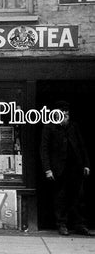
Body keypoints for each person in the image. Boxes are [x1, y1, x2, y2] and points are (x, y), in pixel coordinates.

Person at [40, 101, 92, 236]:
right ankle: (62, 224)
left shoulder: (73, 127)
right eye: (63, 115)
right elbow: (44, 149)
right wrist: (48, 169)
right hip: (59, 168)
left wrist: (86, 164)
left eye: (67, 115)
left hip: (75, 167)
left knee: (78, 196)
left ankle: (80, 224)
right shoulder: (50, 127)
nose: (65, 118)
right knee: (60, 197)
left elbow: (82, 146)